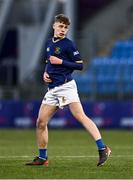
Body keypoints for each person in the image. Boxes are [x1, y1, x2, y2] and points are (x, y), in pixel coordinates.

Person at [26, 14, 111, 167]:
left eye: (65, 27)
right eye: (60, 26)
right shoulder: (49, 43)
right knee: (40, 122)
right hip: (52, 89)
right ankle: (42, 157)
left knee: (80, 116)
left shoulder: (68, 45)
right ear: (54, 26)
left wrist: (61, 61)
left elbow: (79, 65)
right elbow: (49, 62)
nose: (63, 29)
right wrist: (45, 73)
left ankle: (103, 148)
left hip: (66, 87)